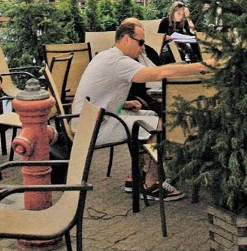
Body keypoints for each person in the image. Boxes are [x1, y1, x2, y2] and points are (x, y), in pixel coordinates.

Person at [72, 19, 212, 201]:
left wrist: (124, 103)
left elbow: (102, 94)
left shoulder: (106, 56)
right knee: (154, 124)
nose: (143, 48)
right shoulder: (119, 62)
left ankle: (137, 177)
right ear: (126, 39)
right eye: (141, 42)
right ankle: (152, 182)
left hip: (87, 120)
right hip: (94, 128)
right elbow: (159, 74)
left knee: (148, 116)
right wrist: (204, 65)